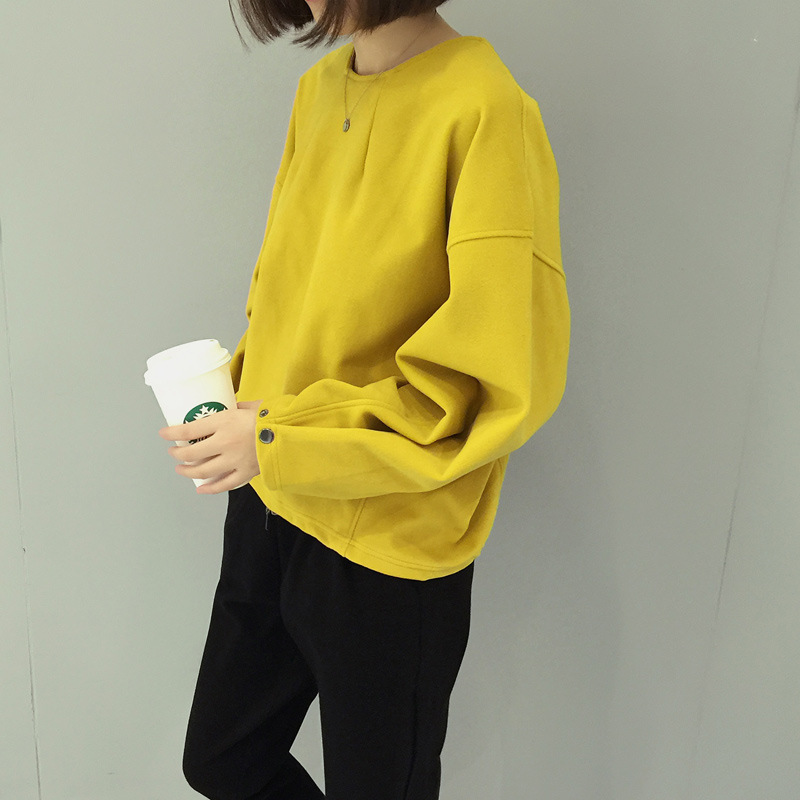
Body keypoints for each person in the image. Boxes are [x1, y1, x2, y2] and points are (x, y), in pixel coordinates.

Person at [157, 0, 570, 797]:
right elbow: (290, 296)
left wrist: (276, 438)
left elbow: (483, 382)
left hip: (388, 536)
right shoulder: (319, 89)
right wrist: (236, 397)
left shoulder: (485, 108)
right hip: (274, 503)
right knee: (222, 757)